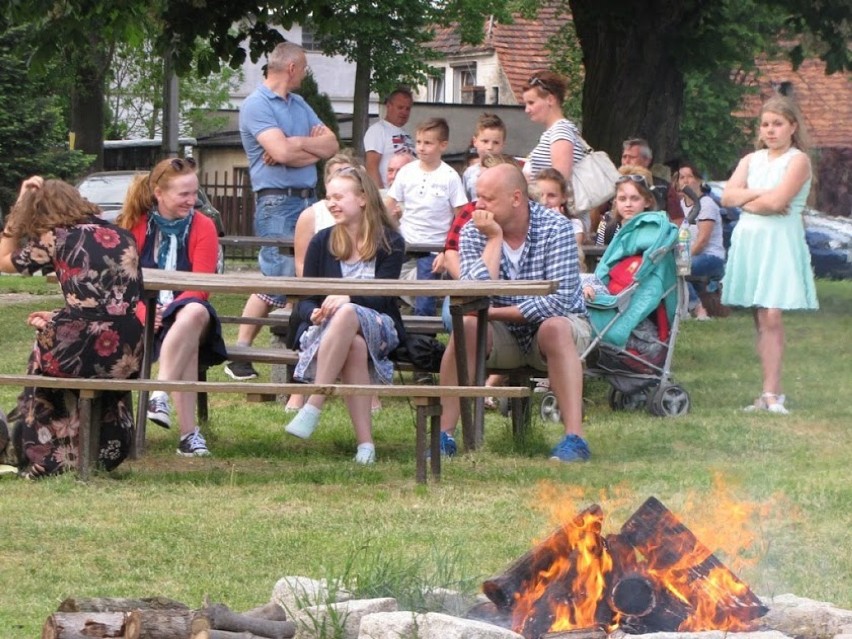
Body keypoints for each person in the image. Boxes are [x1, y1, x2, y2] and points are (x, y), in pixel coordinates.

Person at [435, 164, 592, 462]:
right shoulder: (473, 230)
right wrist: (493, 240)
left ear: (516, 198)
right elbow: (474, 297)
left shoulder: (556, 228)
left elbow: (556, 303)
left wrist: (493, 313)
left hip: (560, 330)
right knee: (466, 327)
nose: (478, 205)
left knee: (554, 327)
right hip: (503, 336)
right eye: (477, 196)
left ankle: (575, 439)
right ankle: (444, 436)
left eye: (487, 198)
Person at [0, 177, 143, 477]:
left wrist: (16, 212)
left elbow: (3, 260)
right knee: (55, 336)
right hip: (127, 350)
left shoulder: (57, 236)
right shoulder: (122, 235)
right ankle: (103, 448)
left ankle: (39, 451)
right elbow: (108, 303)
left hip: (81, 349)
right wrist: (58, 316)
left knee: (41, 352)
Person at [224, 42, 339, 381]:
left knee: (304, 277)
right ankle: (241, 352)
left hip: (308, 199)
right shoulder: (256, 105)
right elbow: (280, 153)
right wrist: (301, 147)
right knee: (279, 278)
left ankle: (293, 357)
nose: (305, 74)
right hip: (277, 201)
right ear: (291, 68)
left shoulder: (300, 104)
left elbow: (331, 146)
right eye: (303, 68)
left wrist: (295, 144)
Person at [283, 166, 406, 464]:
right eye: (328, 198)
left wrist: (347, 298)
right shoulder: (321, 241)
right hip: (331, 331)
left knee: (349, 311)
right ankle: (366, 446)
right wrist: (313, 311)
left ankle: (314, 402)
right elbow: (305, 298)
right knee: (354, 346)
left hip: (379, 325)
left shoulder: (391, 241)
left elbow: (384, 297)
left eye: (339, 196)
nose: (331, 203)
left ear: (363, 198)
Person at [118, 157, 227, 456]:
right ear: (159, 193)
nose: (192, 200)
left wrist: (167, 311)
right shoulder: (135, 225)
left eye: (195, 193)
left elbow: (201, 285)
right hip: (142, 316)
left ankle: (160, 391)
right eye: (184, 194)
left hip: (188, 310)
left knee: (191, 314)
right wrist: (144, 312)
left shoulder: (203, 226)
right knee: (186, 339)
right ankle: (189, 436)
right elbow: (124, 283)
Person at [720, 95, 817, 415]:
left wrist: (749, 199)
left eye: (778, 124)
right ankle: (766, 390)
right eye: (765, 124)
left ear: (792, 126)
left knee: (772, 314)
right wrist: (760, 194)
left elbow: (779, 204)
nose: (771, 130)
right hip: (750, 241)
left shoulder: (798, 160)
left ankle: (774, 393)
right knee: (760, 316)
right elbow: (728, 197)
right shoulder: (751, 160)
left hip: (780, 242)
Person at [385, 117, 467, 316]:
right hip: (405, 241)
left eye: (428, 143)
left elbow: (461, 218)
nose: (421, 148)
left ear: (443, 145)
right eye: (419, 142)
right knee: (383, 282)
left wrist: (446, 250)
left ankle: (424, 339)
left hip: (433, 246)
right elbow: (388, 204)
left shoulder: (449, 177)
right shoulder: (406, 172)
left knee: (425, 297)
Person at [677, 162, 726, 320]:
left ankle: (698, 309)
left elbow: (702, 240)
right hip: (689, 256)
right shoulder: (679, 206)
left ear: (699, 180)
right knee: (672, 268)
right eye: (681, 177)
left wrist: (682, 260)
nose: (685, 180)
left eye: (689, 176)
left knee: (678, 269)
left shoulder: (706, 204)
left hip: (711, 257)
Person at [364, 86, 416, 188]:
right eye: (400, 107)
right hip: (389, 194)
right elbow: (371, 166)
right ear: (389, 106)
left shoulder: (406, 134)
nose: (404, 112)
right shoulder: (378, 130)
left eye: (407, 109)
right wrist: (380, 197)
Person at [594, 166, 657, 246]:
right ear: (615, 201)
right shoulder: (607, 222)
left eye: (635, 199)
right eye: (622, 199)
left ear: (647, 201)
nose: (628, 204)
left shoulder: (655, 227)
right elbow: (599, 256)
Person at [462, 113, 507, 201]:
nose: (490, 147)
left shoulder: (507, 172)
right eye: (485, 141)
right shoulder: (469, 173)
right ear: (475, 142)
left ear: (503, 145)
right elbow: (465, 202)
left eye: (496, 143)